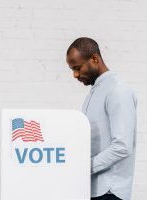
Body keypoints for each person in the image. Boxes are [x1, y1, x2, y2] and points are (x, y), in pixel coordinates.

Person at [66, 37, 137, 200]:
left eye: (77, 68)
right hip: (93, 188)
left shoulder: (118, 90)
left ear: (94, 59)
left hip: (110, 191)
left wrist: (84, 167)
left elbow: (122, 146)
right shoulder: (95, 91)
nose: (75, 75)